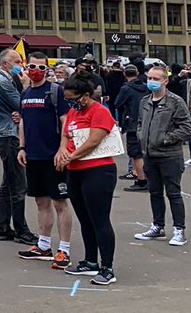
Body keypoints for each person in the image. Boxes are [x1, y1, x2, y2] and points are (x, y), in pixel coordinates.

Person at [55, 75, 119, 285]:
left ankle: (107, 267)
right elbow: (66, 134)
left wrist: (70, 156)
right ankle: (91, 261)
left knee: (99, 219)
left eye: (73, 99)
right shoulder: (74, 112)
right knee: (85, 218)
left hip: (98, 171)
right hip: (75, 171)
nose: (70, 103)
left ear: (86, 96)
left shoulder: (100, 111)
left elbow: (94, 141)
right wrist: (62, 150)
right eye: (67, 99)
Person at [15, 53, 74, 268]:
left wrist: (62, 149)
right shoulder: (25, 93)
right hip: (33, 155)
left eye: (41, 67)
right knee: (41, 202)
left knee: (60, 202)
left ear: (47, 70)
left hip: (53, 156)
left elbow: (65, 121)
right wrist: (22, 147)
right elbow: (23, 121)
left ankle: (64, 249)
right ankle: (43, 245)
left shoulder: (55, 91)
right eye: (32, 66)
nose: (36, 71)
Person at [133, 64, 191, 246]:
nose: (151, 82)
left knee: (173, 193)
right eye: (149, 78)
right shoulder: (145, 101)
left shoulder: (175, 102)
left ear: (165, 81)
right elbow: (140, 122)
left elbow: (187, 128)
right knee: (155, 192)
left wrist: (165, 139)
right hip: (150, 155)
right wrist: (141, 136)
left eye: (156, 79)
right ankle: (157, 226)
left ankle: (179, 230)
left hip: (170, 156)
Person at [0, 49, 35, 244]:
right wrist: (26, 86)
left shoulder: (3, 80)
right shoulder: (2, 82)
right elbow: (22, 104)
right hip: (10, 135)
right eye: (17, 61)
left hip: (6, 134)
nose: (20, 65)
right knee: (18, 185)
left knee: (8, 183)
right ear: (5, 63)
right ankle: (20, 229)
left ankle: (2, 227)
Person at [114, 66, 148, 191]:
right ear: (137, 73)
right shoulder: (146, 87)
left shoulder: (126, 88)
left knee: (136, 154)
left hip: (132, 123)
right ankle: (146, 177)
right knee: (143, 152)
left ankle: (142, 181)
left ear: (124, 74)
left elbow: (117, 103)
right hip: (146, 121)